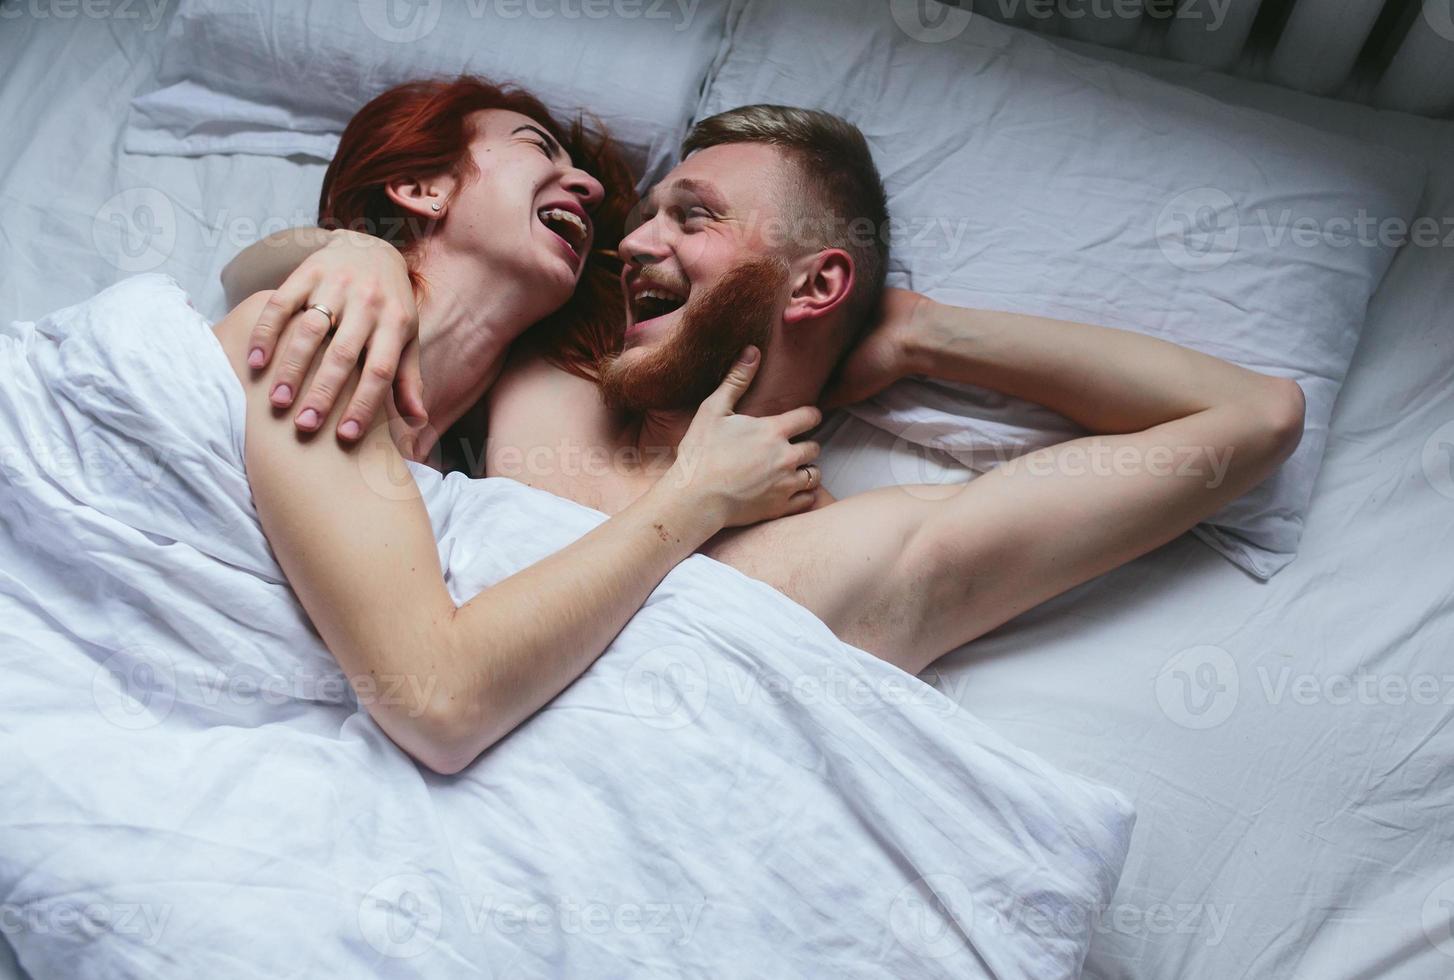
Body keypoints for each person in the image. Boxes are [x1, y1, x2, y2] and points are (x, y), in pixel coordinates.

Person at [229, 104, 1305, 681]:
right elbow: (372, 272)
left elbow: (1251, 419)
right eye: (644, 215)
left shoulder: (865, 555)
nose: (633, 240)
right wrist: (355, 252)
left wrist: (924, 336)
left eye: (690, 216)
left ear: (819, 283)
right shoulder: (545, 368)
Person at [208, 80, 825, 775]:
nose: (589, 187)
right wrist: (694, 498)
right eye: (538, 149)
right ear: (421, 189)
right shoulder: (326, 335)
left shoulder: (447, 470)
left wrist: (906, 339)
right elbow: (439, 701)